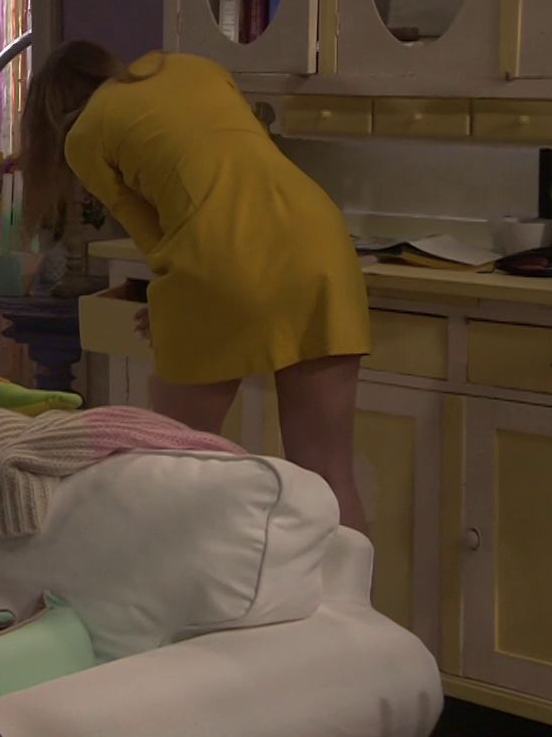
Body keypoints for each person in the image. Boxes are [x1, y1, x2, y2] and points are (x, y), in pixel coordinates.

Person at [18, 41, 370, 532]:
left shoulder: (84, 138)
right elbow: (229, 169)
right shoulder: (194, 68)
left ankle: (186, 577)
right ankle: (349, 585)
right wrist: (177, 303)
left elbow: (159, 241)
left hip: (222, 259)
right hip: (321, 240)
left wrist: (173, 307)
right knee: (329, 474)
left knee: (176, 466)